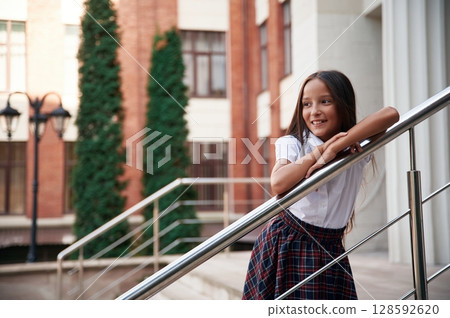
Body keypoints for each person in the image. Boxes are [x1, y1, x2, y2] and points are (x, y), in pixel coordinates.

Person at [242, 70, 399, 300]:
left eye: (325, 101)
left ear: (343, 105)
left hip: (331, 246)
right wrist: (320, 152)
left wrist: (337, 146)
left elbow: (391, 114)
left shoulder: (355, 146)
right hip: (288, 242)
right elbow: (278, 182)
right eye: (307, 104)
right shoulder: (294, 143)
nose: (314, 111)